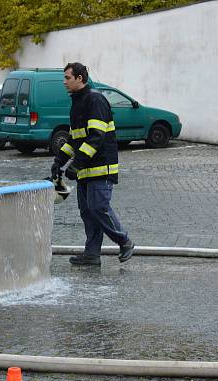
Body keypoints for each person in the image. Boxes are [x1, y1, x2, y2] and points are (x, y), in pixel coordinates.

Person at [51, 62, 133, 266]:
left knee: (98, 207)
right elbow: (74, 139)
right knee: (87, 212)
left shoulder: (94, 100)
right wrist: (59, 161)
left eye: (67, 78)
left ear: (80, 78)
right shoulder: (77, 103)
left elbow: (96, 137)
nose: (64, 82)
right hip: (86, 169)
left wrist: (76, 163)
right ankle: (92, 253)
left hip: (100, 167)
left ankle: (124, 241)